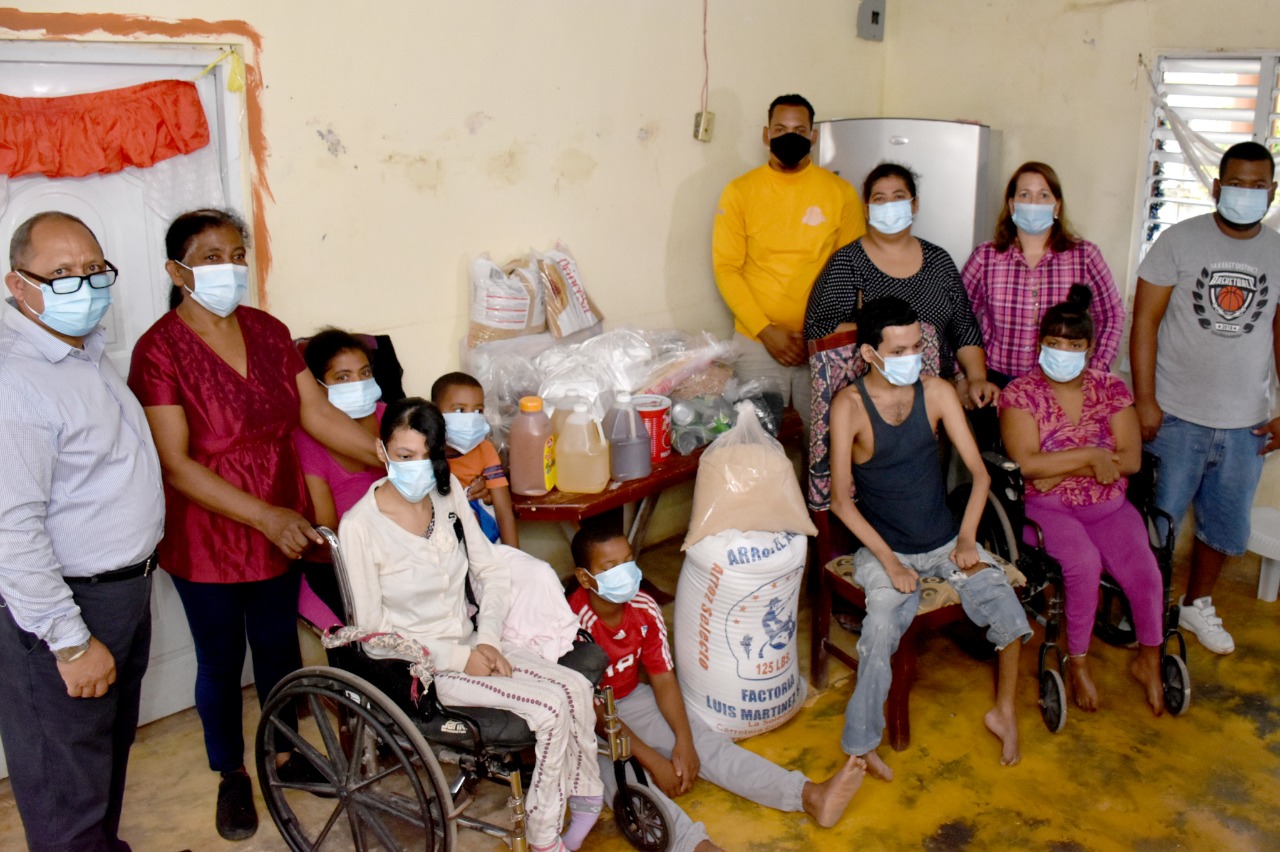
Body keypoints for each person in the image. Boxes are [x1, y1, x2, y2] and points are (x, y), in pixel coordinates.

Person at [127, 209, 382, 841]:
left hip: (281, 513)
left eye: (237, 254)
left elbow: (317, 414)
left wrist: (395, 461)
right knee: (219, 660)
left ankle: (287, 751)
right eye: (211, 256)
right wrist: (264, 516)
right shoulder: (158, 350)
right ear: (176, 270)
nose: (229, 267)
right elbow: (177, 464)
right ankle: (232, 775)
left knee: (276, 647)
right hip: (209, 529)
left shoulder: (269, 332)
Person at [338, 398, 603, 852]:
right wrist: (462, 658)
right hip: (424, 668)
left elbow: (491, 572)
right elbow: (374, 636)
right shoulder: (360, 527)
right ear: (383, 452)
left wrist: (488, 639)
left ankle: (585, 798)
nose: (417, 468)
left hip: (475, 640)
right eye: (404, 456)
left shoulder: (446, 493)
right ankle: (543, 837)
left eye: (428, 456)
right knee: (551, 709)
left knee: (575, 687)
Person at [0, 211, 165, 851]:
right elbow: (11, 530)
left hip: (121, 591)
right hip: (69, 606)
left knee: (102, 751)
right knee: (65, 772)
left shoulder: (83, 353)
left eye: (93, 269)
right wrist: (69, 643)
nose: (85, 285)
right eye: (62, 273)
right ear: (19, 286)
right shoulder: (17, 382)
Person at [568, 521, 865, 852]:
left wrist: (684, 741)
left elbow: (663, 679)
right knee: (624, 782)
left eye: (627, 561)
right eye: (610, 567)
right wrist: (652, 759)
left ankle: (810, 796)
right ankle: (696, 847)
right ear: (584, 577)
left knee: (709, 744)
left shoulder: (644, 608)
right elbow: (592, 710)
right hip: (580, 719)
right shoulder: (572, 626)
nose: (623, 572)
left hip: (629, 698)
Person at [828, 296, 1031, 780]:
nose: (913, 358)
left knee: (1009, 612)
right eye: (899, 351)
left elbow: (980, 477)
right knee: (879, 628)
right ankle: (862, 745)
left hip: (944, 543)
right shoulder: (850, 406)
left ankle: (1003, 712)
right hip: (884, 549)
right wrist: (890, 563)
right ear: (870, 355)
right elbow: (840, 501)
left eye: (917, 346)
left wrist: (965, 538)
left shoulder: (937, 392)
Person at [1131, 141, 1280, 655]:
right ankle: (1148, 608)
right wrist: (1145, 401)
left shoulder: (1278, 251)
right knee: (1160, 523)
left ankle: (1197, 605)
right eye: (1236, 184)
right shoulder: (1178, 240)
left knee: (1224, 524)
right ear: (1217, 188)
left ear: (1272, 192)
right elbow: (1145, 322)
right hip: (1176, 416)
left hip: (1247, 422)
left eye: (1257, 186)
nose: (1246, 194)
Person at [999, 286, 1165, 714]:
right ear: (1040, 344)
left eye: (1073, 345)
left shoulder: (1112, 389)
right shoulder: (1019, 394)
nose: (1062, 352)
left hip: (1108, 506)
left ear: (1089, 348)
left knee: (1145, 571)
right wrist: (1092, 456)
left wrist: (1061, 466)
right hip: (1045, 509)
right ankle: (1079, 663)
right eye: (1053, 344)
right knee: (1083, 564)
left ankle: (1150, 659)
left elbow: (1129, 459)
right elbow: (1028, 465)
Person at [712, 93, 866, 428]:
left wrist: (820, 331)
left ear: (813, 136)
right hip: (757, 342)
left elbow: (853, 270)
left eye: (799, 129)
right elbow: (727, 268)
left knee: (826, 441)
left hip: (824, 341)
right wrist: (767, 332)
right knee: (756, 444)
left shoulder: (840, 193)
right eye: (780, 129)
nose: (789, 136)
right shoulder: (739, 192)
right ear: (765, 135)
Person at [805, 163, 999, 409]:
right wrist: (885, 332)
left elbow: (963, 328)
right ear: (867, 209)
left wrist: (976, 378)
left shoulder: (938, 260)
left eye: (898, 197)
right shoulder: (847, 262)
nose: (889, 206)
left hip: (934, 399)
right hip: (868, 403)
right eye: (879, 199)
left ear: (914, 204)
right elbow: (817, 330)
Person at [962, 161, 1125, 386]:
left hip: (1065, 384)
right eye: (1025, 195)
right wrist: (965, 376)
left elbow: (1112, 315)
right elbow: (959, 319)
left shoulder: (1085, 255)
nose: (1034, 203)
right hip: (999, 384)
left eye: (1044, 195)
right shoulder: (985, 257)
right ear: (1011, 205)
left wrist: (1096, 370)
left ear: (1057, 206)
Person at [293, 327, 388, 625]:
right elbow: (327, 532)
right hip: (342, 566)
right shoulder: (306, 439)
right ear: (318, 388)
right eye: (343, 377)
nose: (358, 384)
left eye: (364, 373)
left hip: (401, 553)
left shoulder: (393, 419)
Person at [432, 370, 518, 546]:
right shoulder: (423, 450)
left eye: (478, 410)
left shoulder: (484, 450)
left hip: (484, 541)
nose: (471, 418)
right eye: (459, 410)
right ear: (435, 411)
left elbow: (503, 511)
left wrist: (517, 557)